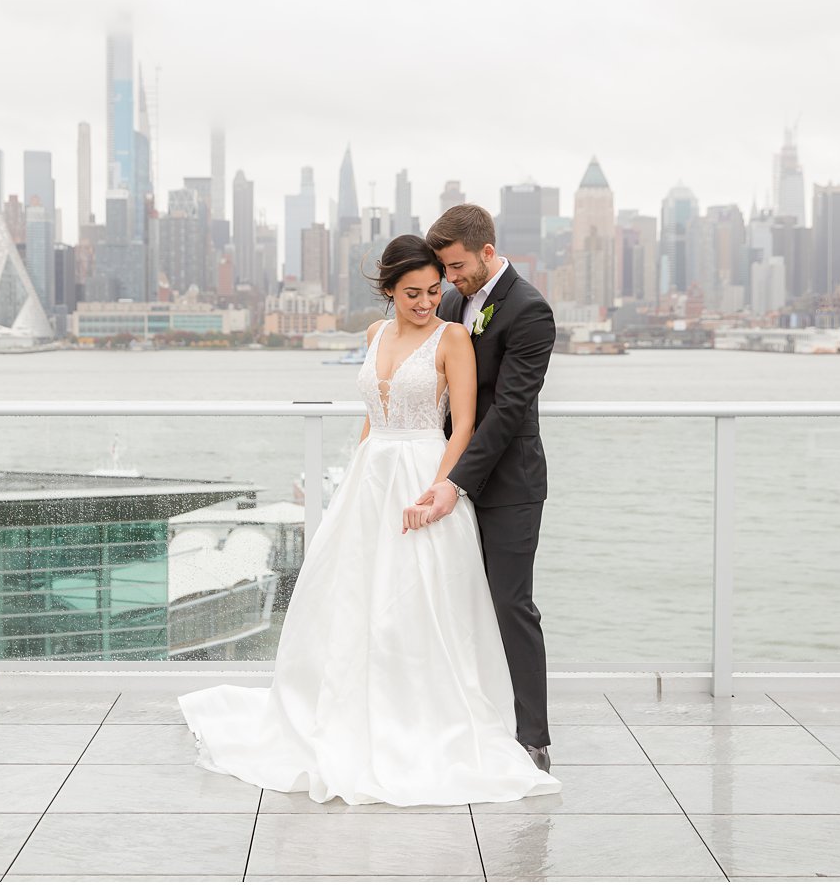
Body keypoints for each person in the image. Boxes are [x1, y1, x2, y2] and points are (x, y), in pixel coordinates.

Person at [177, 234, 560, 806]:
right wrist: (349, 478)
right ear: (388, 291)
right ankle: (352, 709)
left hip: (428, 474)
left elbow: (464, 425)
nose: (429, 299)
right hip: (370, 477)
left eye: (436, 288)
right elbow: (372, 414)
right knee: (351, 596)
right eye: (415, 292)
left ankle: (477, 729)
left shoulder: (456, 333)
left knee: (426, 601)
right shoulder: (377, 333)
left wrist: (444, 488)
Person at [415, 203, 556, 771]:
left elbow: (506, 412)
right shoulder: (451, 301)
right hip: (447, 469)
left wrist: (455, 482)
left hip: (508, 483)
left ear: (488, 253)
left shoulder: (530, 311)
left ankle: (533, 738)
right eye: (445, 269)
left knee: (510, 604)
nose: (449, 279)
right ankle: (461, 718)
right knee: (451, 601)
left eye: (455, 267)